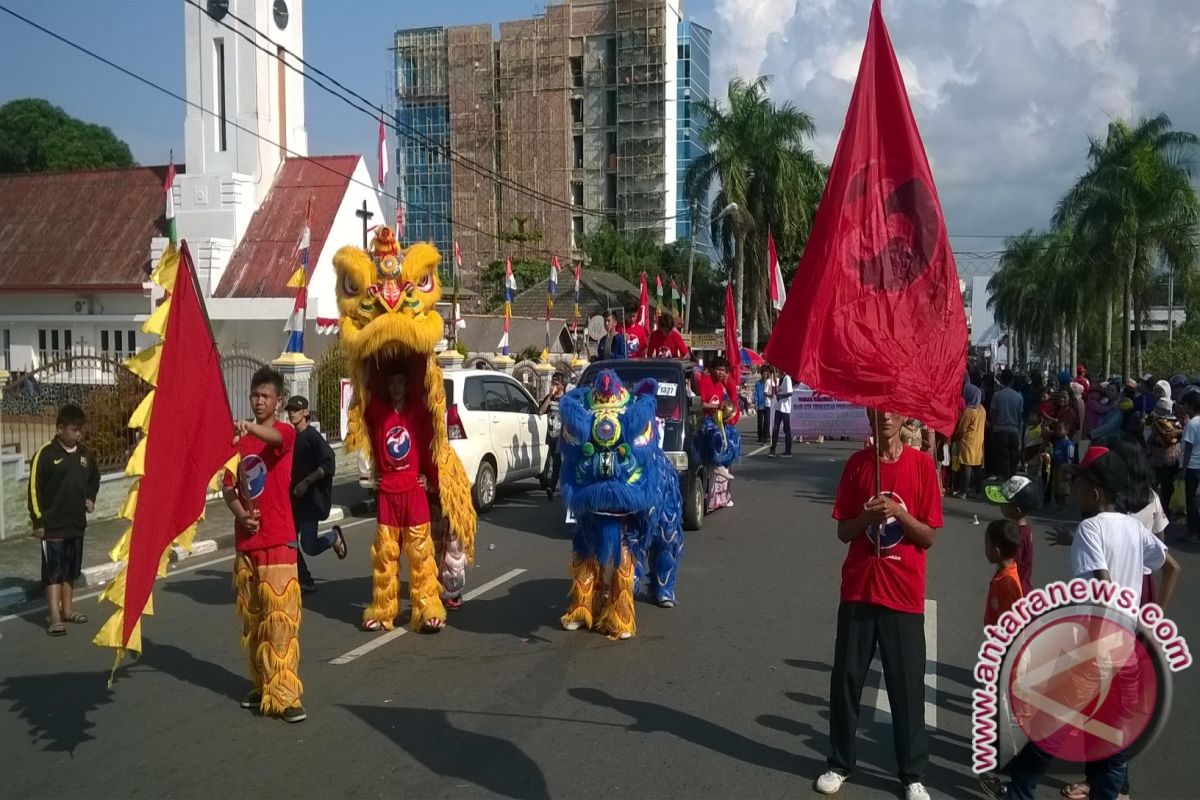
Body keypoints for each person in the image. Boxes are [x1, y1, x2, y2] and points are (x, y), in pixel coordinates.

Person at [999, 446, 1181, 800]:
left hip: (1096, 654)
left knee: (1047, 732)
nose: (1073, 489)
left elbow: (1102, 589)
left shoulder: (1090, 529)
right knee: (1113, 749)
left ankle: (1018, 794)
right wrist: (1151, 620)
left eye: (1078, 483)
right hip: (1127, 653)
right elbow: (1173, 568)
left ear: (1095, 492)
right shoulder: (1132, 526)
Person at [816, 409, 939, 800]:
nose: (884, 416)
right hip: (858, 591)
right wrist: (864, 518)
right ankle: (839, 763)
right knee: (846, 683)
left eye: (892, 410)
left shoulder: (921, 467)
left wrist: (899, 512)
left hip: (903, 596)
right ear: (868, 415)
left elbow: (928, 536)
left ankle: (912, 773)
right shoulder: (856, 466)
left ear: (904, 417)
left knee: (906, 689)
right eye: (877, 410)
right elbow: (842, 531)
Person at [221, 367, 305, 722]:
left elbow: (273, 438)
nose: (259, 401)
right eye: (255, 395)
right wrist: (241, 515)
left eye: (266, 396)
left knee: (280, 623)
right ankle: (262, 684)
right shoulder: (236, 442)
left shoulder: (283, 432)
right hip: (248, 544)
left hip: (279, 541)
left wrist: (248, 428)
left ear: (278, 401)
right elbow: (228, 487)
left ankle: (285, 695)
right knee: (255, 624)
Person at [361, 364, 449, 630]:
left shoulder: (415, 411)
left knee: (421, 553)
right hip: (387, 492)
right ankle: (383, 609)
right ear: (387, 386)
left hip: (413, 491)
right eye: (392, 382)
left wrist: (429, 480)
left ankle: (428, 608)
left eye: (401, 381)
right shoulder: (377, 410)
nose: (397, 387)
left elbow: (432, 395)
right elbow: (362, 388)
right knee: (385, 555)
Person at [28, 403, 100, 637]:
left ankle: (68, 610)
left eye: (80, 430)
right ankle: (55, 616)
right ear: (60, 429)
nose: (78, 434)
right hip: (53, 526)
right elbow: (33, 490)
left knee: (70, 571)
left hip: (76, 524)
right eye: (73, 429)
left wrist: (90, 498)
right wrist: (38, 522)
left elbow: (94, 479)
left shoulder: (85, 454)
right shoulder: (46, 455)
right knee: (54, 573)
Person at [285, 395, 347, 593]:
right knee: (289, 542)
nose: (292, 413)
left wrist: (307, 482)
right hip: (292, 500)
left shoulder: (312, 437)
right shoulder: (289, 437)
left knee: (309, 546)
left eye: (296, 409)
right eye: (290, 409)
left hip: (310, 502)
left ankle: (333, 537)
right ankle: (305, 580)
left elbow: (329, 463)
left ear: (305, 413)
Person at [984, 475, 1039, 594]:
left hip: (1014, 589)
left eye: (1004, 503)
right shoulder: (1024, 528)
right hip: (1021, 586)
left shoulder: (1017, 534)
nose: (1001, 506)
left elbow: (1012, 566)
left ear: (1017, 510)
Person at [697, 356, 740, 489]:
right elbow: (700, 403)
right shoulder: (705, 381)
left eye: (723, 370)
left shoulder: (721, 386)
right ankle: (718, 464)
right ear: (712, 369)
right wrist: (716, 407)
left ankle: (724, 463)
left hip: (717, 419)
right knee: (716, 434)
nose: (721, 373)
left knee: (734, 435)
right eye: (718, 369)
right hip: (705, 421)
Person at [982, 519, 1023, 626]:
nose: (985, 548)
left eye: (986, 543)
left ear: (996, 552)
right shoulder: (1004, 573)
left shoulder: (1007, 584)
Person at [1147, 396, 1182, 514]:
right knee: (1159, 488)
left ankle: (1163, 512)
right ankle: (1159, 512)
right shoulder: (1153, 421)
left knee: (1165, 488)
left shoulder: (1177, 424)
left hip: (1168, 460)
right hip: (1160, 460)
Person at [989, 369, 1024, 480]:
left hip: (1000, 431)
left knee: (1001, 460)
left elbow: (993, 414)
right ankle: (1012, 484)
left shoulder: (997, 395)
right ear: (1012, 381)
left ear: (1001, 380)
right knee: (1013, 460)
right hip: (1013, 431)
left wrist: (994, 428)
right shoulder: (1018, 397)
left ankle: (1003, 482)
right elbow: (1019, 417)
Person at [953, 386, 985, 498]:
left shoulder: (969, 411)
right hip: (979, 441)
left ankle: (963, 492)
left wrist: (955, 437)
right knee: (977, 467)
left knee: (966, 467)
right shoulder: (982, 409)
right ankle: (978, 492)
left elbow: (962, 428)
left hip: (968, 442)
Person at [539, 372, 566, 501]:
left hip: (561, 437)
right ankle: (547, 483)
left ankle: (552, 487)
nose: (554, 386)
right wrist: (550, 396)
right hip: (550, 435)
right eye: (553, 383)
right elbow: (541, 411)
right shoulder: (550, 399)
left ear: (562, 385)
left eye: (557, 384)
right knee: (546, 462)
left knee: (556, 463)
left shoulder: (565, 400)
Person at [1182, 390, 1200, 543]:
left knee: (1191, 500)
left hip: (1193, 467)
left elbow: (1188, 448)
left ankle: (1192, 533)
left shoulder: (1192, 424)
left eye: (1185, 405)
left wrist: (1183, 469)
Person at [769, 368, 793, 458]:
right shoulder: (779, 379)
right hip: (778, 407)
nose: (778, 371)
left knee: (787, 429)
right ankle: (772, 450)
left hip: (785, 408)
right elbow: (779, 390)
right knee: (775, 429)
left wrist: (781, 396)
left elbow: (790, 393)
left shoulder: (787, 378)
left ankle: (788, 451)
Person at [754, 367, 771, 444]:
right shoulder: (758, 383)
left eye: (766, 374)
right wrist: (756, 403)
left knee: (766, 421)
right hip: (760, 404)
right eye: (763, 374)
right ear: (761, 374)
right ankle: (760, 437)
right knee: (760, 421)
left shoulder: (769, 383)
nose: (765, 375)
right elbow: (756, 394)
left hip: (767, 404)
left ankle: (765, 436)